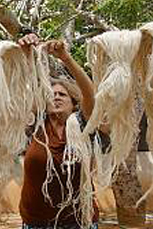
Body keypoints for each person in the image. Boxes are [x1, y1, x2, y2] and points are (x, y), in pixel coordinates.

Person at [17, 33, 98, 229]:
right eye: (52, 94)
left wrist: (66, 58)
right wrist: (27, 57)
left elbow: (89, 94)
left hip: (79, 222)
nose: (56, 97)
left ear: (74, 104)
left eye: (62, 94)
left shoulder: (82, 125)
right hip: (36, 222)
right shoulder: (36, 126)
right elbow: (22, 91)